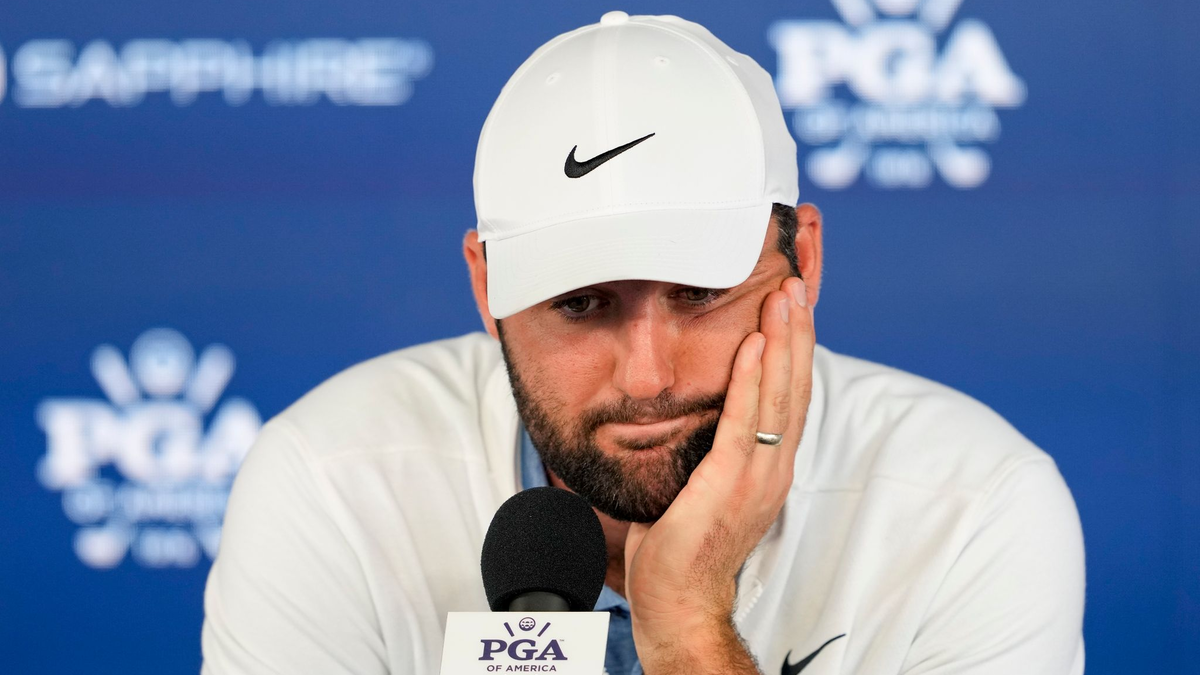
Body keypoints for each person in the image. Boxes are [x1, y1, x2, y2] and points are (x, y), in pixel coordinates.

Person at [201, 12, 1085, 675]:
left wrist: (690, 620)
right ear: (486, 289)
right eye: (582, 303)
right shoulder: (332, 485)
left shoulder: (972, 508)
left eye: (700, 293)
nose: (649, 373)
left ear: (803, 261)